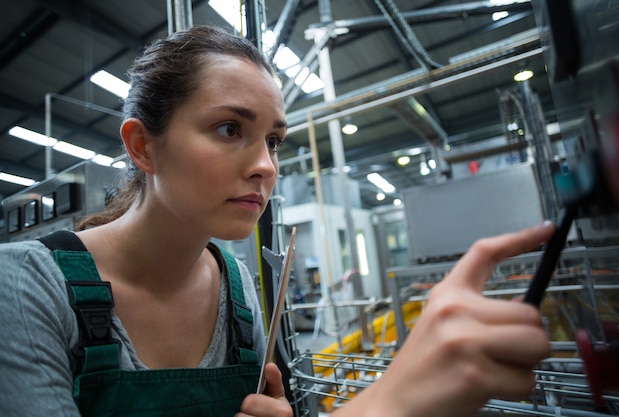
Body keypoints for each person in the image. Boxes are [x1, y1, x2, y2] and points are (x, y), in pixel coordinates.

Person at [0, 25, 554, 417]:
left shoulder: (237, 286)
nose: (266, 166)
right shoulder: (26, 287)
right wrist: (394, 402)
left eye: (273, 141)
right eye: (228, 130)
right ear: (143, 145)